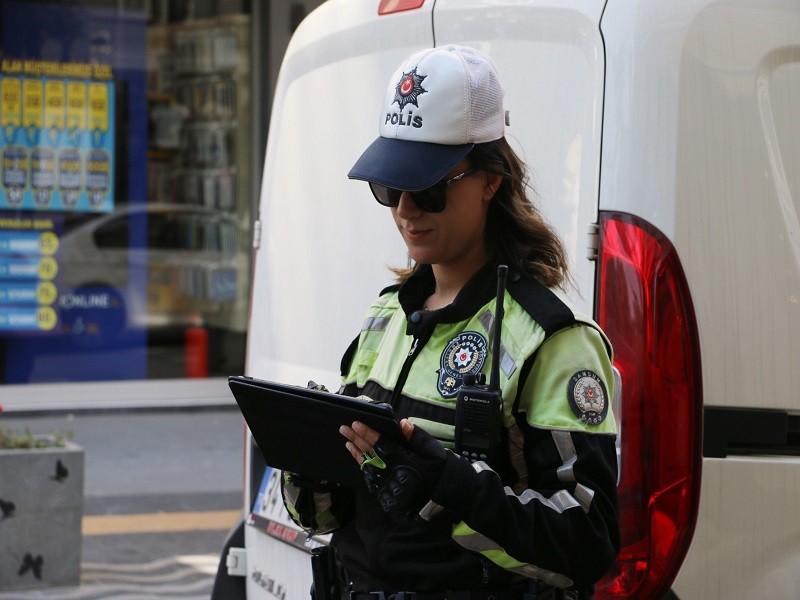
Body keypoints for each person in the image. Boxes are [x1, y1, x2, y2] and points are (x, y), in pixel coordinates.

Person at [282, 45, 619, 599]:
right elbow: (326, 520)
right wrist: (306, 461)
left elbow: (587, 543)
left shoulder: (553, 341)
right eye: (390, 187)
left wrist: (446, 483)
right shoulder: (385, 317)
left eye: (430, 188)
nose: (406, 209)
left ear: (491, 180)